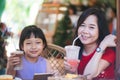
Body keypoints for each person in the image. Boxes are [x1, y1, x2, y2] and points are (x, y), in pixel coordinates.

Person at [64, 8, 116, 80]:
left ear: (100, 30)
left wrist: (102, 45)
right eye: (82, 25)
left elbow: (88, 76)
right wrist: (72, 71)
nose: (85, 31)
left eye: (91, 27)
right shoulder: (75, 52)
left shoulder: (108, 52)